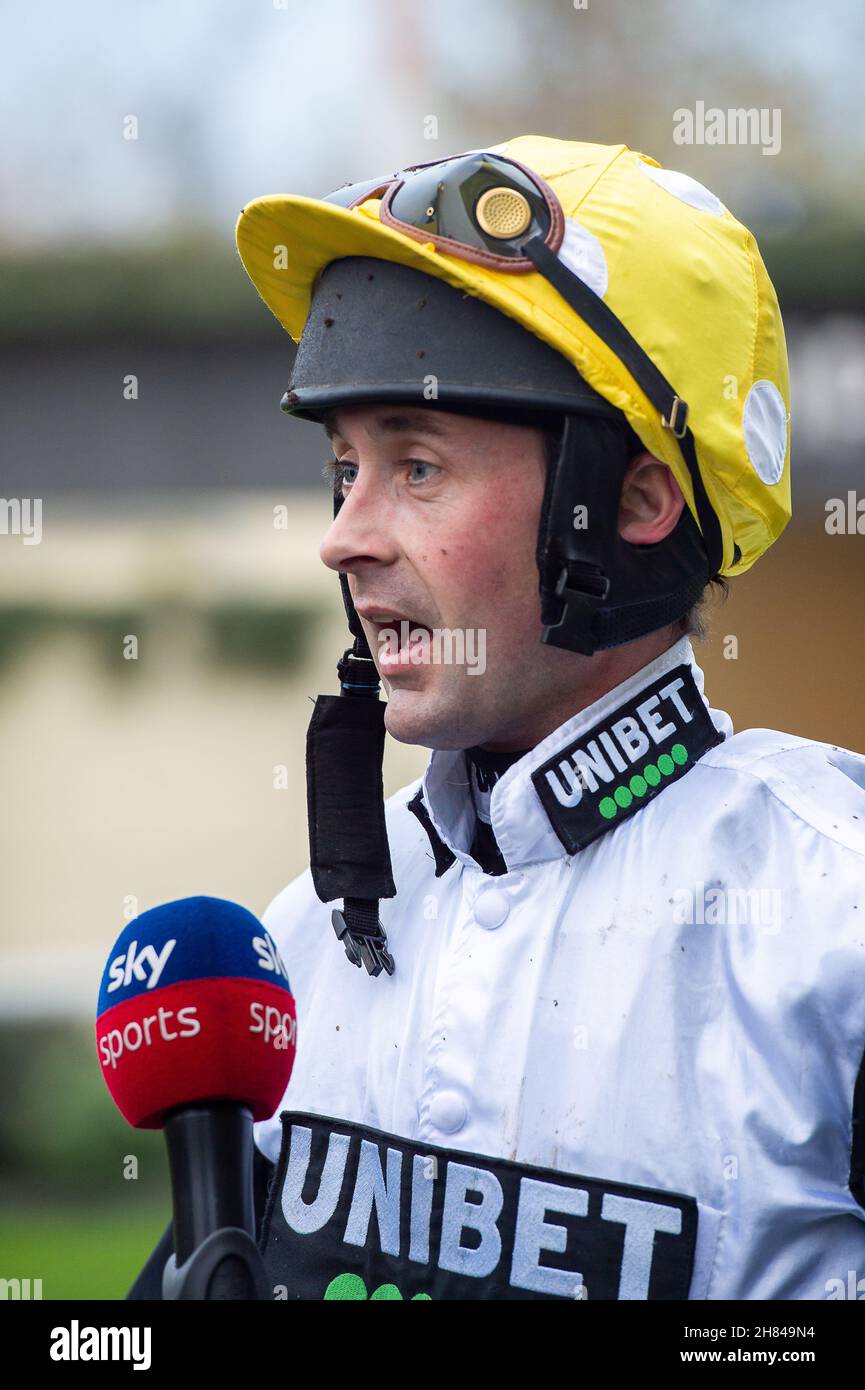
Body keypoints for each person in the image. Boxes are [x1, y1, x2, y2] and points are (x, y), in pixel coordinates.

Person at [129, 136, 865, 1301]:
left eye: (415, 468)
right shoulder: (304, 942)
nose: (343, 534)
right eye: (343, 470)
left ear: (629, 500)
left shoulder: (834, 923)